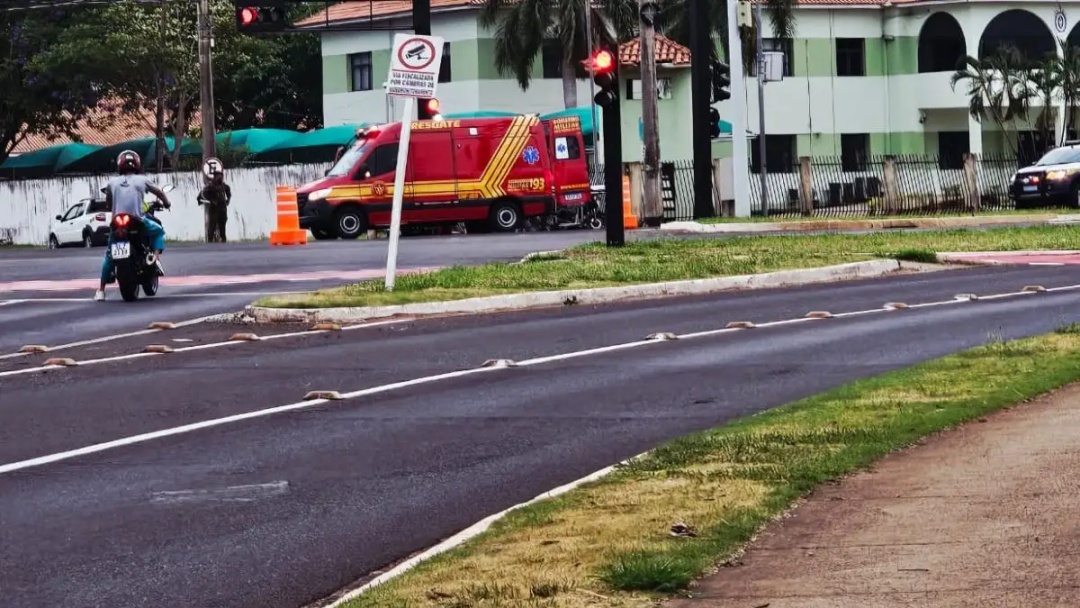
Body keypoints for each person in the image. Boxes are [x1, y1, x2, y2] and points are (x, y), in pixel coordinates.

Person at [95, 150, 172, 301]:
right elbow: (159, 193)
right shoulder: (142, 180)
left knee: (109, 254)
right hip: (136, 220)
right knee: (158, 231)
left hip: (117, 223)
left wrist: (112, 208)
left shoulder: (112, 183)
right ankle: (154, 257)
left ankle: (101, 290)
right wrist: (167, 203)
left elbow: (109, 204)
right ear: (137, 165)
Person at [199, 170, 231, 242]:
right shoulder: (210, 186)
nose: (220, 177)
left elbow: (228, 193)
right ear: (215, 177)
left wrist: (227, 200)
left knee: (222, 224)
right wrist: (211, 200)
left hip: (222, 207)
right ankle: (210, 240)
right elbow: (203, 194)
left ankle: (223, 239)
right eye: (218, 176)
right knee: (212, 225)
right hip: (214, 208)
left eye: (221, 176)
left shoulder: (224, 186)